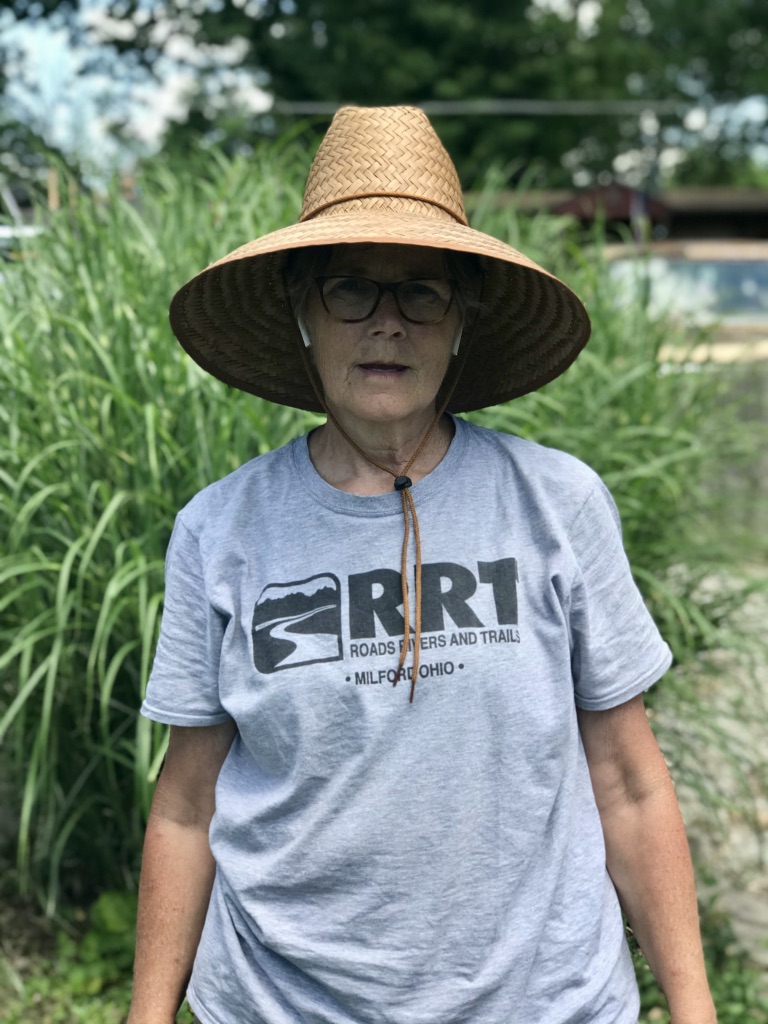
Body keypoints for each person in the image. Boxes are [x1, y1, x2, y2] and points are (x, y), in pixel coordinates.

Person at [129, 106, 716, 1024]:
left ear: (463, 315)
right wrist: (146, 1013)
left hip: (545, 1002)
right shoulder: (221, 528)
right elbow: (185, 805)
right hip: (281, 1002)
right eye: (350, 290)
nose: (387, 325)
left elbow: (629, 781)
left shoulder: (557, 502)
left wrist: (695, 1008)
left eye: (422, 293)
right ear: (301, 310)